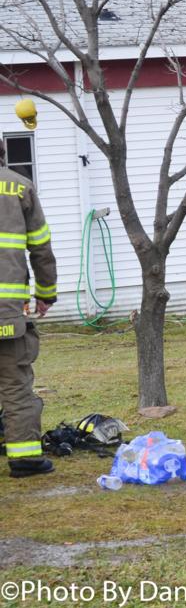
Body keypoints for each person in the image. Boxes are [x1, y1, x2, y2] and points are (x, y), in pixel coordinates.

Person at [0, 140, 57, 478]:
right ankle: (24, 459)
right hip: (6, 316)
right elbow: (40, 247)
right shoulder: (20, 187)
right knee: (15, 384)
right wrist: (46, 294)